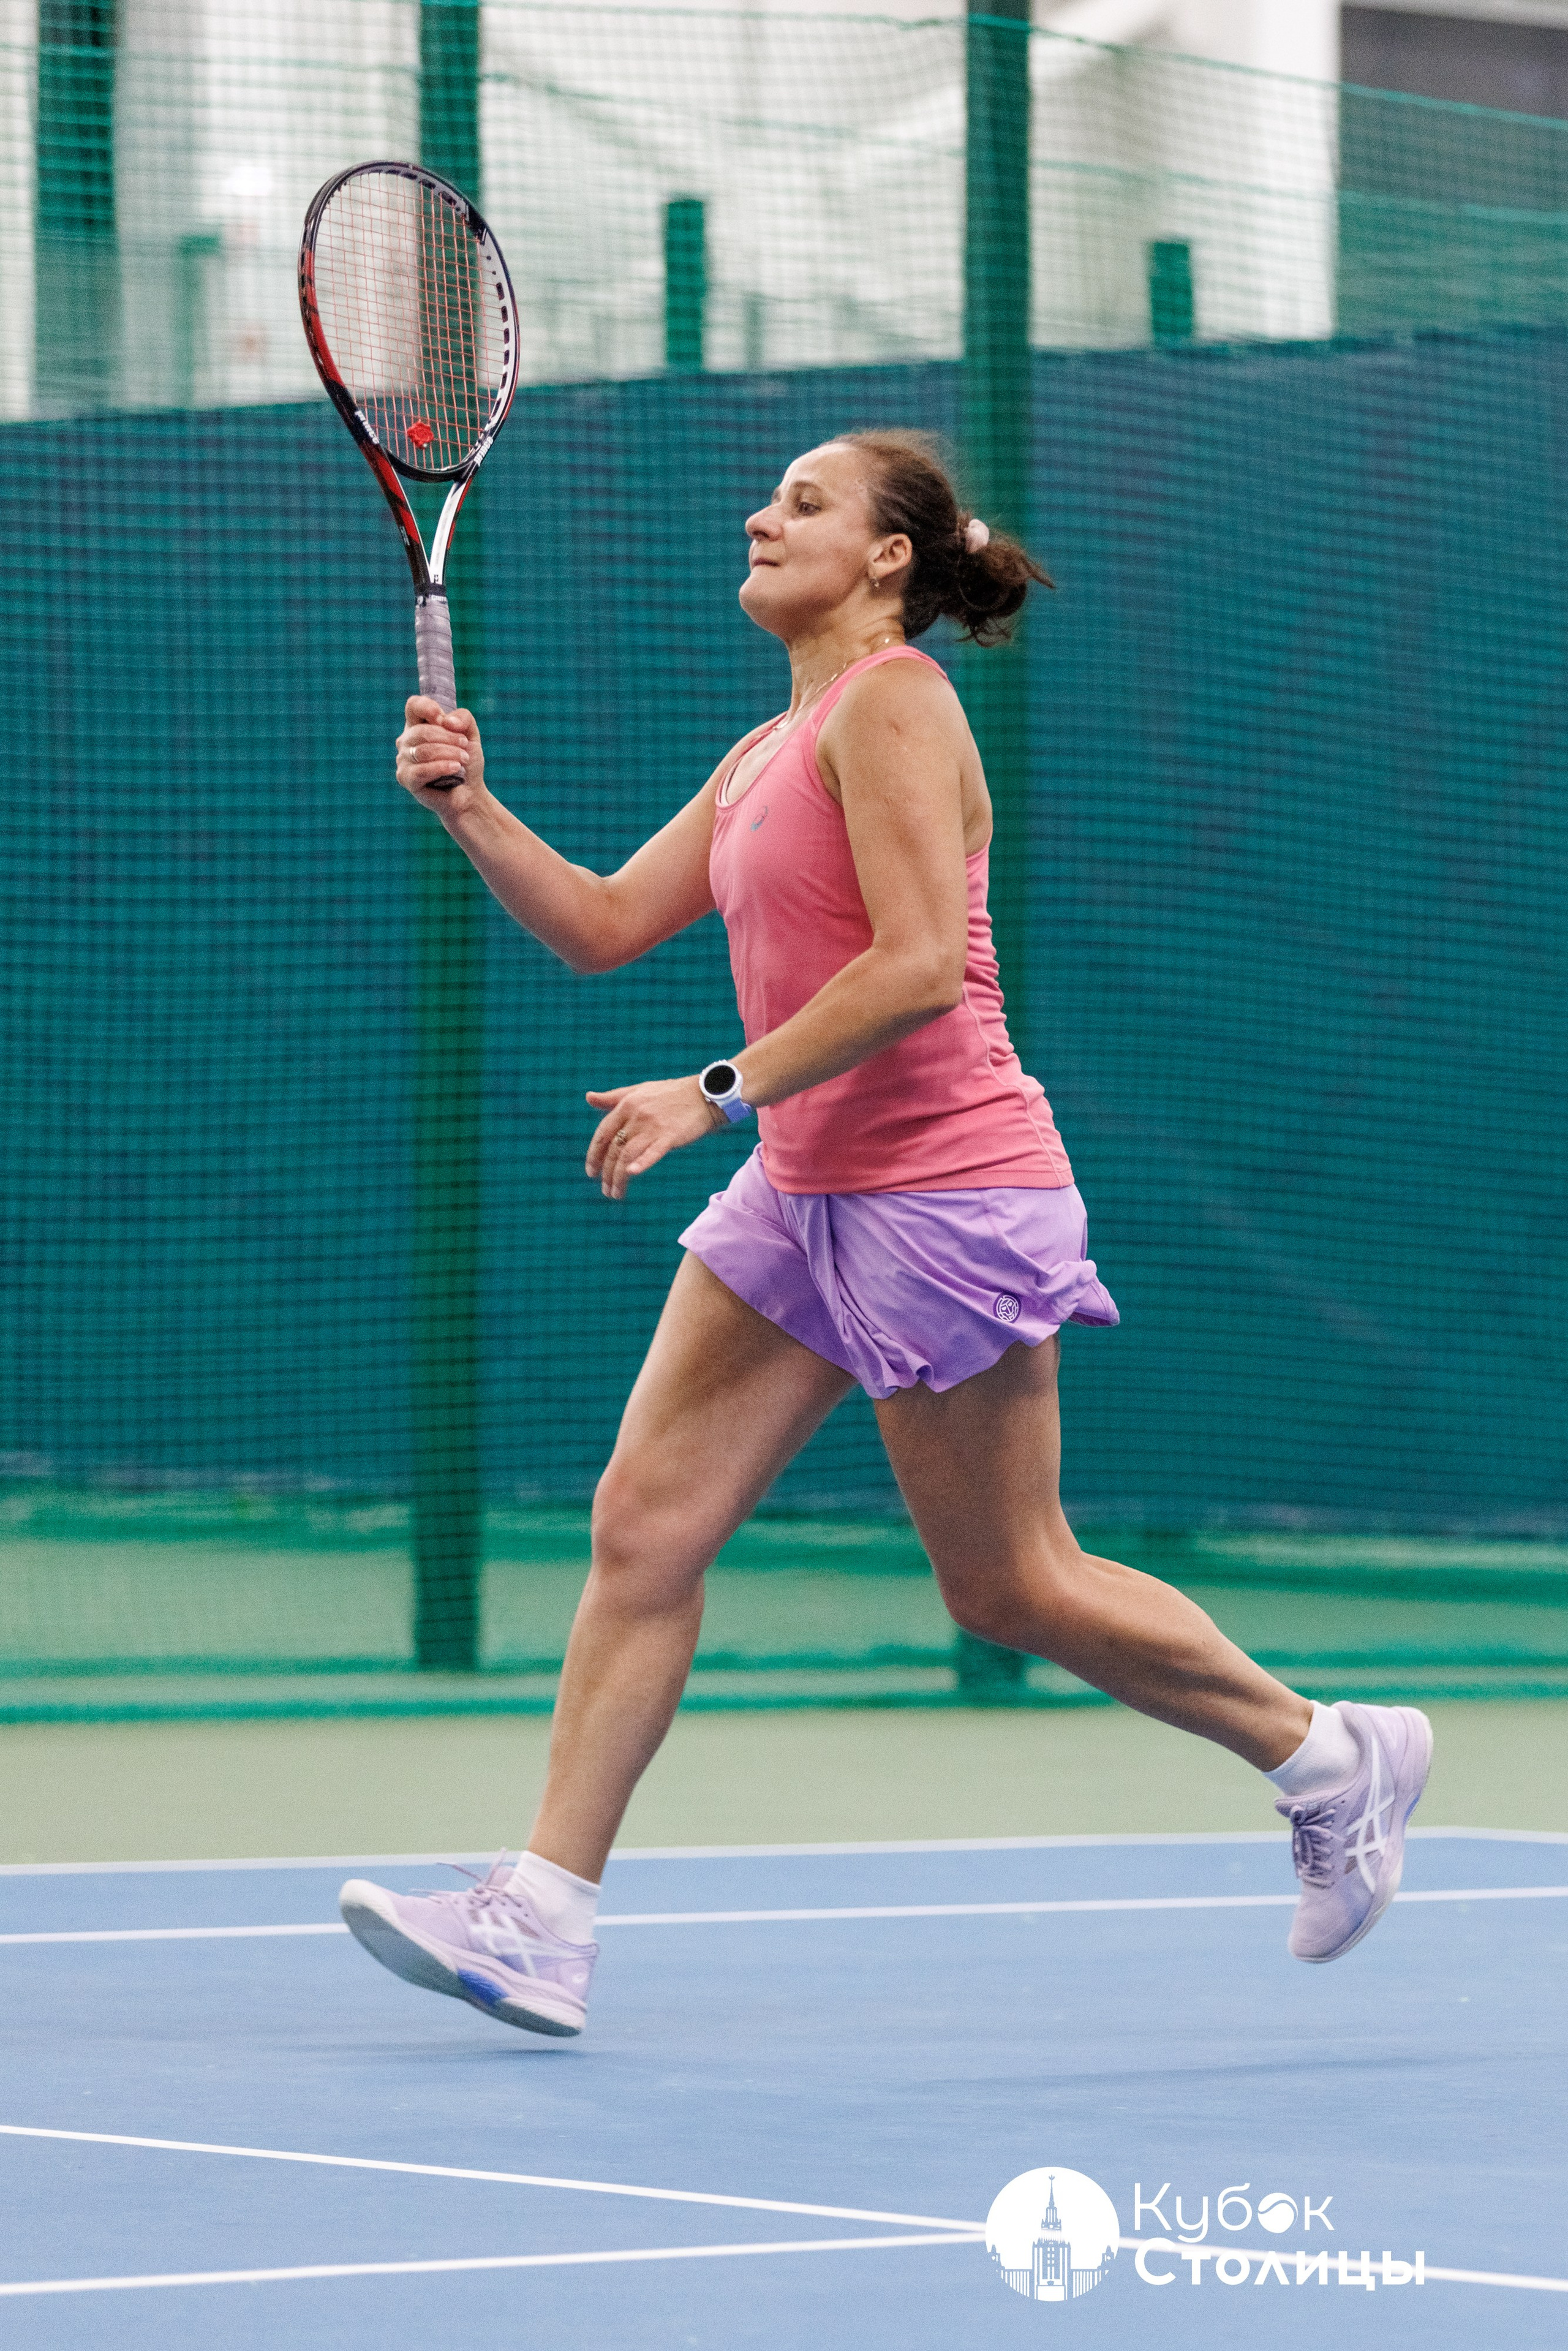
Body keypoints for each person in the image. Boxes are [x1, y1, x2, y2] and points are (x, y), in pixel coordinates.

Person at [339, 430, 1431, 2037]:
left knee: (1008, 1586)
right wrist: (471, 805)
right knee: (645, 1529)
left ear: (888, 560)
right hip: (805, 1188)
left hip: (948, 1189)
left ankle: (1335, 1757)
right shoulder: (755, 756)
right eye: (766, 495)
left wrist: (713, 1089)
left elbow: (922, 963)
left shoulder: (901, 703)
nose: (759, 515)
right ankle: (541, 1920)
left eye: (803, 502)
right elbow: (597, 926)